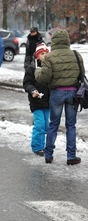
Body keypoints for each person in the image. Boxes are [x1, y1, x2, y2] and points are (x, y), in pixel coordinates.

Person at [35, 29, 84, 165]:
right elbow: (82, 73)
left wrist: (37, 71)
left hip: (56, 93)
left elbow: (44, 78)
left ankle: (49, 155)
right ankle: (71, 156)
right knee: (71, 126)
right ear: (67, 40)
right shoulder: (75, 54)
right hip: (74, 94)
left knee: (53, 125)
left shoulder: (50, 57)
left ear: (54, 41)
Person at [23, 43, 50, 156]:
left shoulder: (49, 68)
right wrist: (32, 90)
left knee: (46, 126)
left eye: (46, 54)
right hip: (36, 101)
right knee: (39, 124)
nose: (44, 56)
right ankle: (37, 147)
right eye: (42, 54)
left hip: (47, 101)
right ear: (37, 56)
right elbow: (27, 83)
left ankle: (43, 146)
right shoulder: (32, 68)